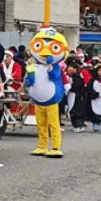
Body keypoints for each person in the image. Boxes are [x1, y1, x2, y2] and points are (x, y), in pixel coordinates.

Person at [25, 27, 68, 158]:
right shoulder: (34, 66)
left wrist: (50, 68)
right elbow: (29, 81)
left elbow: (54, 77)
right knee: (41, 124)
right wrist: (29, 77)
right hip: (38, 100)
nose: (45, 51)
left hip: (51, 100)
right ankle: (42, 145)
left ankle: (56, 146)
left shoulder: (55, 67)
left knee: (53, 124)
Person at [67, 60, 90, 133]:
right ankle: (76, 125)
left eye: (70, 67)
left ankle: (78, 125)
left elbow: (76, 86)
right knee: (73, 109)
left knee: (75, 110)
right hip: (76, 95)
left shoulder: (77, 76)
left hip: (76, 96)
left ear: (75, 69)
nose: (68, 69)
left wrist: (69, 87)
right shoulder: (74, 76)